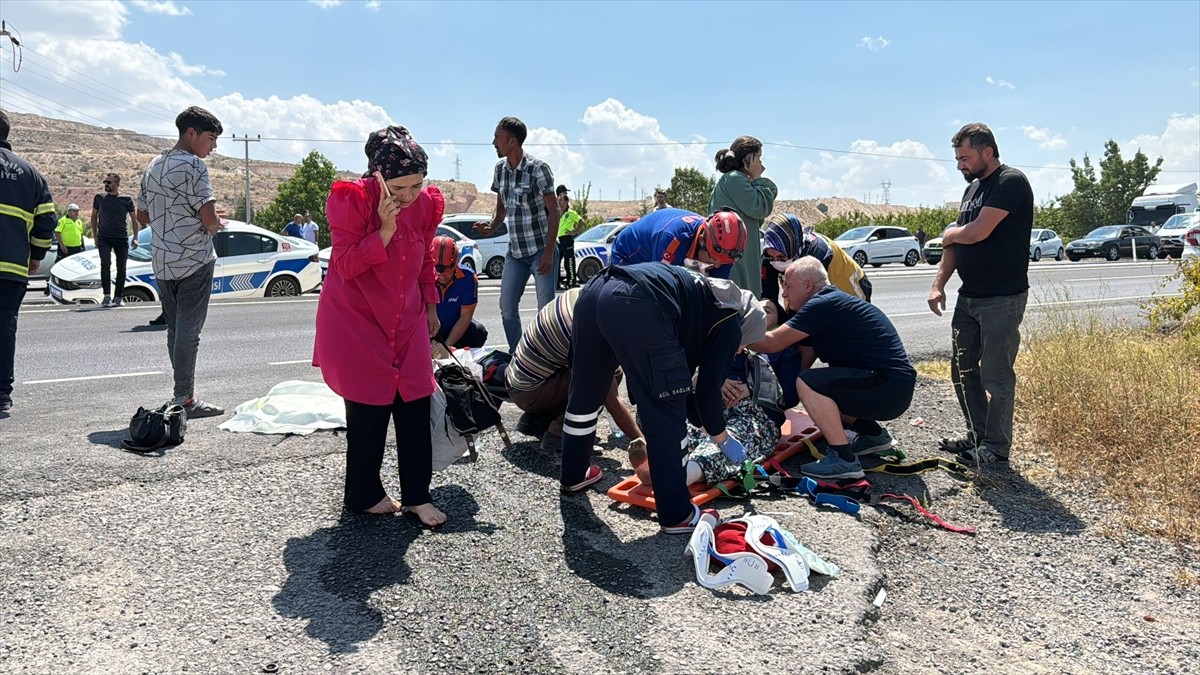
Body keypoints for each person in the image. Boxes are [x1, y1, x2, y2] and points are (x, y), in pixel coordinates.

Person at [559, 262, 767, 535]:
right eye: (745, 343)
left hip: (595, 290)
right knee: (667, 410)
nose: (740, 350)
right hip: (635, 300)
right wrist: (722, 439)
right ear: (746, 327)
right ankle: (677, 513)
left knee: (585, 394)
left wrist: (705, 424)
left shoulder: (705, 293)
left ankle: (574, 475)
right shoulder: (730, 319)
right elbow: (705, 393)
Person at [313, 125, 448, 526]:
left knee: (414, 403)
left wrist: (430, 306)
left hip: (406, 318)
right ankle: (363, 493)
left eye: (417, 186)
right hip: (357, 319)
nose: (409, 197)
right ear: (378, 176)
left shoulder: (425, 205)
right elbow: (347, 266)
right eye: (400, 188)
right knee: (368, 411)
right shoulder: (350, 200)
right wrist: (385, 231)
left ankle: (417, 496)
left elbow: (425, 258)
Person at [748, 258, 916, 480]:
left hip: (887, 387)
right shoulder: (823, 308)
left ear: (807, 285)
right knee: (813, 386)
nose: (785, 295)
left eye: (788, 286)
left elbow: (771, 343)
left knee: (810, 383)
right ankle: (874, 437)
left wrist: (734, 332)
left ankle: (844, 460)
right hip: (890, 386)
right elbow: (801, 364)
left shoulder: (822, 304)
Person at [927, 122, 1034, 465]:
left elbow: (976, 232)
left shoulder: (1010, 182)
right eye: (958, 158)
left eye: (965, 157)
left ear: (987, 152)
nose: (960, 165)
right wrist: (938, 283)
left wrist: (949, 234)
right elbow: (956, 244)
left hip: (1001, 298)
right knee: (962, 369)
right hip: (969, 297)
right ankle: (977, 434)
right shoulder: (971, 190)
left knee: (996, 374)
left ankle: (996, 448)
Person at [135, 106, 227, 419]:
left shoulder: (153, 165)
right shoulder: (194, 167)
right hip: (194, 260)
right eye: (211, 139)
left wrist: (171, 217)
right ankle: (185, 398)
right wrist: (215, 222)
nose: (213, 147)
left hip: (161, 260)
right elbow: (210, 221)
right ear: (192, 133)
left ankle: (181, 393)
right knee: (190, 331)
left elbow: (142, 216)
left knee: (175, 330)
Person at [506, 286, 644, 454]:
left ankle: (540, 419)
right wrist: (643, 445)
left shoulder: (584, 296)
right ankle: (558, 434)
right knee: (598, 381)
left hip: (522, 381)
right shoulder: (586, 333)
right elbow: (613, 401)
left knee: (613, 371)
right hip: (529, 392)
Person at [474, 117, 560, 351]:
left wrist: (549, 253)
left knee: (545, 310)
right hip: (516, 253)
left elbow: (555, 212)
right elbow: (501, 208)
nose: (493, 142)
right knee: (507, 307)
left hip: (541, 250)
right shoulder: (500, 170)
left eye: (497, 138)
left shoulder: (538, 169)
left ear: (512, 141)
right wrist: (491, 226)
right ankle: (517, 354)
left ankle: (546, 356)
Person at [0, 109, 56, 413]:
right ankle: (1, 395)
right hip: (12, 268)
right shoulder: (29, 172)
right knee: (4, 327)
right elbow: (47, 219)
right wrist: (35, 256)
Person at [709, 135, 778, 297]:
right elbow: (760, 208)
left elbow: (755, 220)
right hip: (736, 258)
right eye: (758, 158)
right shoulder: (735, 180)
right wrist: (758, 178)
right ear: (749, 158)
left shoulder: (735, 180)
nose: (761, 163)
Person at [761, 213, 872, 302]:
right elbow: (768, 296)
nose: (776, 262)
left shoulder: (818, 253)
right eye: (772, 257)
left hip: (850, 286)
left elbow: (813, 305)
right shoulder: (769, 255)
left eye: (781, 257)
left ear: (793, 246)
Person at [610, 207, 746, 279]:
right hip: (629, 254)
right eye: (714, 259)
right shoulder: (674, 238)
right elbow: (661, 289)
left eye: (723, 262)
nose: (717, 265)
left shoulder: (724, 252)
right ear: (701, 241)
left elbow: (718, 292)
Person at [431, 234, 488, 349]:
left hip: (454, 329)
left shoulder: (468, 278)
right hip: (428, 330)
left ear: (456, 262)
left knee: (478, 332)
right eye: (437, 271)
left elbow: (465, 317)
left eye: (446, 272)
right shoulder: (422, 277)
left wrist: (447, 347)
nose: (441, 276)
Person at [91, 173, 137, 307]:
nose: (106, 184)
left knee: (121, 268)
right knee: (105, 265)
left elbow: (134, 219)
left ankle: (118, 297)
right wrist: (95, 237)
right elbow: (94, 216)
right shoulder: (99, 197)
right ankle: (106, 296)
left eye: (109, 182)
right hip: (104, 237)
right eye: (105, 182)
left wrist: (135, 237)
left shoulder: (126, 199)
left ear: (117, 184)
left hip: (121, 238)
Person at [556, 185, 581, 290]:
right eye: (564, 193)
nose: (566, 194)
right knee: (556, 262)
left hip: (567, 239)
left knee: (569, 262)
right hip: (558, 240)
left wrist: (574, 231)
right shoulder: (556, 211)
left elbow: (581, 222)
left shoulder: (570, 213)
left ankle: (571, 282)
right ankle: (557, 283)